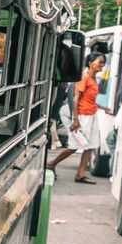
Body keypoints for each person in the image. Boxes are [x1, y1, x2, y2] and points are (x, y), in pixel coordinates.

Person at [47, 52, 105, 183]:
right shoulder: (84, 78)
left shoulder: (94, 79)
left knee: (91, 145)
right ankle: (51, 164)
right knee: (75, 145)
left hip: (91, 115)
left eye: (103, 62)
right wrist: (76, 120)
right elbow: (75, 99)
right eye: (99, 62)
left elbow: (89, 100)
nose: (102, 65)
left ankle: (80, 174)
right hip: (82, 117)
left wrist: (103, 108)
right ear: (90, 63)